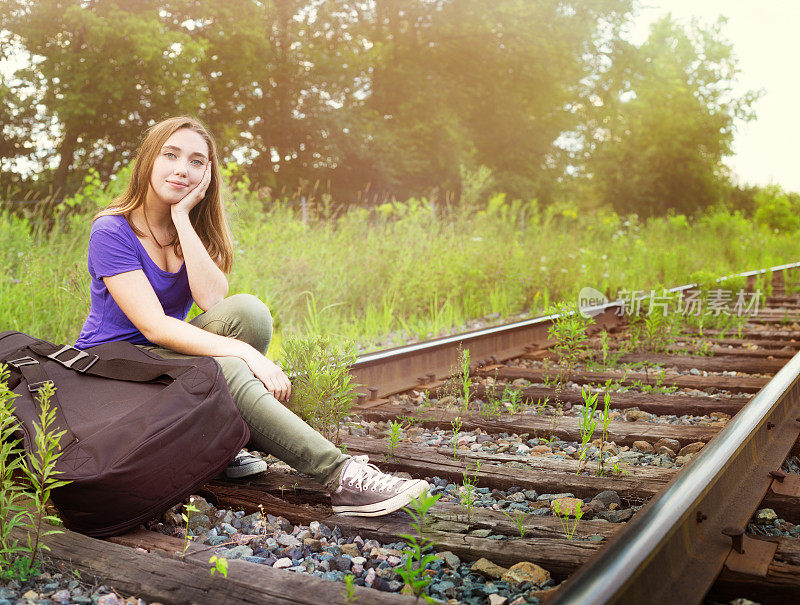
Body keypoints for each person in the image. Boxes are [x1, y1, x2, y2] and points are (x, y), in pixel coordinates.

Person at [74, 116, 429, 517]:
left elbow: (212, 300)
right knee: (230, 366)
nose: (181, 169)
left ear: (207, 173)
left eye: (195, 161)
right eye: (170, 155)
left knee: (250, 313)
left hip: (159, 352)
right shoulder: (112, 229)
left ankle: (222, 445)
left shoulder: (187, 226)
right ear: (148, 161)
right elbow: (153, 326)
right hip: (111, 362)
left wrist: (181, 219)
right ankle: (340, 475)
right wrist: (247, 355)